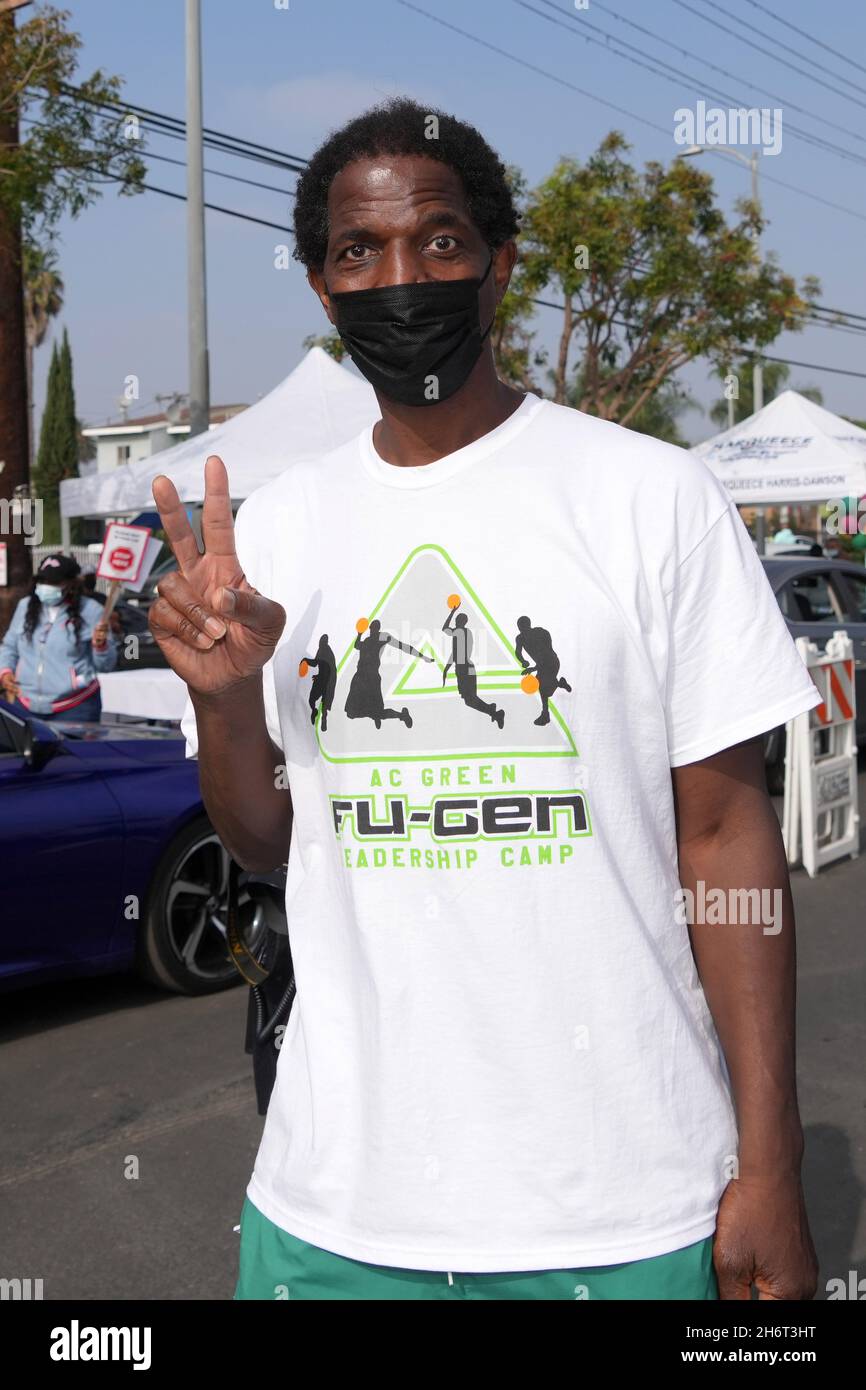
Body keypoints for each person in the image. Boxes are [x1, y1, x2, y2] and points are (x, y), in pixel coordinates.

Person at [150, 97, 820, 1301]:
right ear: (319, 286)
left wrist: (769, 1163)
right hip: (335, 1214)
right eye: (358, 252)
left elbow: (725, 837)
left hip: (625, 1210)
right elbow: (264, 842)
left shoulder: (648, 498)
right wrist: (227, 703)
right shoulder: (280, 530)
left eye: (439, 241)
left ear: (499, 262)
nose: (399, 279)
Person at [0, 552, 117, 721]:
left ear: (71, 583)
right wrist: (5, 671)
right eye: (42, 580)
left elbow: (106, 665)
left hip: (76, 707)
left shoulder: (91, 611)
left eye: (54, 582)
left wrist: (101, 646)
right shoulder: (25, 607)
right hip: (26, 704)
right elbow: (10, 645)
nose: (46, 586)